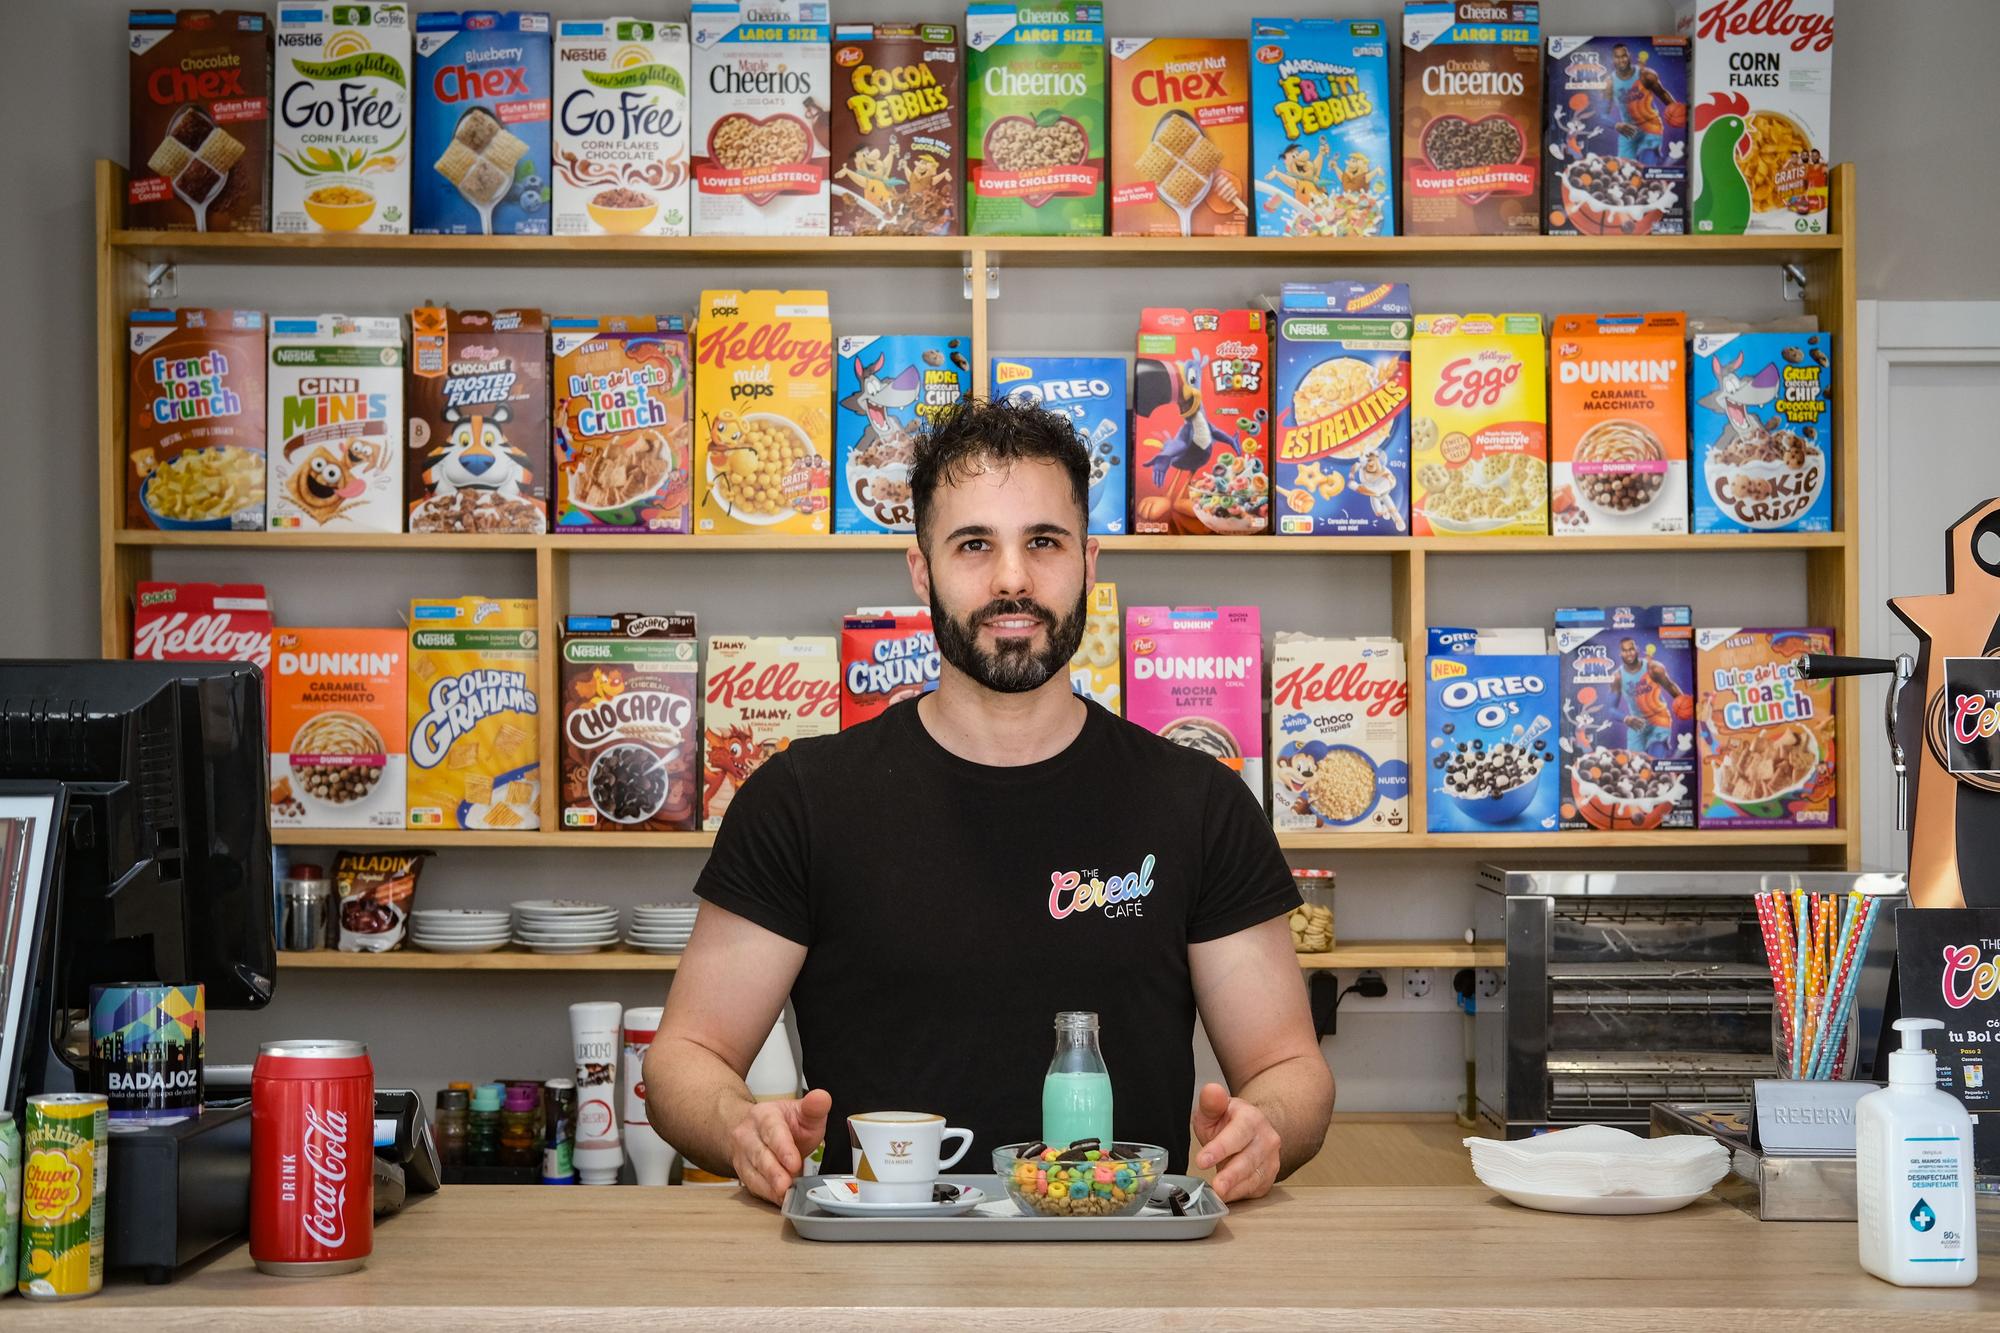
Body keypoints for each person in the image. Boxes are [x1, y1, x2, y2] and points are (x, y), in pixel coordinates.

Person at [645, 396, 1333, 1206]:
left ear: (1090, 561)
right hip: (874, 1282)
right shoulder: (803, 799)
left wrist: (1267, 1128)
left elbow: (1292, 1070)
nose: (1013, 578)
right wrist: (738, 1124)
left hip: (1123, 1273)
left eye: (1043, 541)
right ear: (921, 569)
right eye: (975, 544)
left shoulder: (1199, 802)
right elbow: (681, 1058)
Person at [1608, 42, 1681, 166]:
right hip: (1629, 131)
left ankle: (1671, 157)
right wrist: (1616, 125)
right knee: (1626, 173)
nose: (1621, 59)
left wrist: (1678, 110)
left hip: (1651, 127)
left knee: (1647, 168)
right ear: (1613, 59)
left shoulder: (1646, 75)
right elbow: (1601, 113)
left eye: (1624, 56)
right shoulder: (1609, 82)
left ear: (1629, 56)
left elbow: (1662, 94)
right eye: (1617, 57)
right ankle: (1670, 159)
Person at [1617, 635, 1685, 757]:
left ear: (1637, 649)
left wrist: (1685, 703)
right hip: (1637, 723)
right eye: (1625, 650)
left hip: (1659, 719)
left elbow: (1670, 686)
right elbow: (1610, 709)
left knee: (1654, 763)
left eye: (1631, 649)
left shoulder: (1653, 667)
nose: (1629, 653)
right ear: (1620, 653)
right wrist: (1626, 718)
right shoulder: (1618, 676)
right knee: (1635, 767)